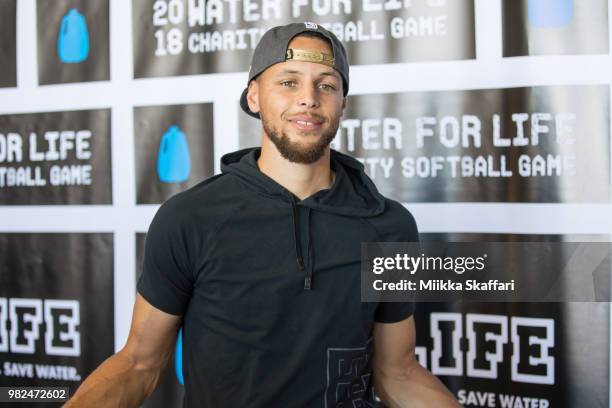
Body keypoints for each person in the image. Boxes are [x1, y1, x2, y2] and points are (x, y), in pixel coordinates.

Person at [66, 22, 459, 407]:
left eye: (326, 84)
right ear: (254, 97)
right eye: (288, 82)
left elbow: (398, 372)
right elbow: (138, 364)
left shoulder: (389, 227)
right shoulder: (189, 218)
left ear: (343, 104)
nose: (309, 98)